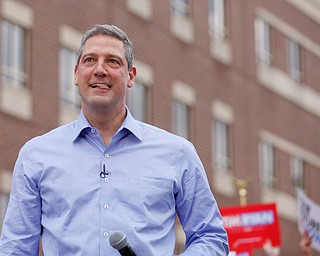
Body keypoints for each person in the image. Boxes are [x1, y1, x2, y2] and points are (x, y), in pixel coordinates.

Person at [0, 24, 229, 256]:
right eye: (90, 60)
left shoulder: (178, 153)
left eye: (112, 61)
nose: (100, 70)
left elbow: (210, 237)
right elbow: (16, 248)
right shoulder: (36, 154)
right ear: (76, 74)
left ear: (131, 76)